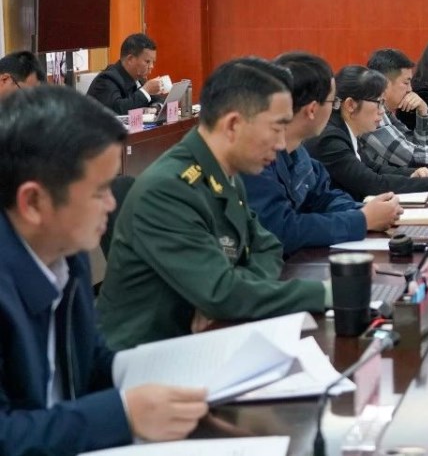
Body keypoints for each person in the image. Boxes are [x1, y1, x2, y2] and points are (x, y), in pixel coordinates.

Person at [0, 86, 208, 454]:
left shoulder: (67, 254)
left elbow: (88, 360)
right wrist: (123, 415)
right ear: (33, 202)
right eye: (100, 191)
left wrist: (167, 370)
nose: (112, 204)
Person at [97, 58, 327, 350]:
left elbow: (268, 246)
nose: (282, 143)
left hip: (206, 339)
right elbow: (221, 293)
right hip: (149, 357)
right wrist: (328, 294)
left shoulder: (224, 173)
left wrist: (237, 288)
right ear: (233, 124)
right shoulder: (169, 190)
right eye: (276, 128)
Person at [243, 53, 403, 256]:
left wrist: (367, 211)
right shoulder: (255, 158)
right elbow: (281, 230)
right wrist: (362, 220)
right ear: (312, 109)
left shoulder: (298, 150)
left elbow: (323, 197)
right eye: (333, 102)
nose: (335, 110)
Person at [307, 66, 428, 201]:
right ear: (351, 105)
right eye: (379, 103)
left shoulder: (345, 131)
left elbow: (375, 169)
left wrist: (413, 174)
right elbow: (372, 184)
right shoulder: (330, 140)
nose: (382, 111)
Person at [86, 33, 167, 114]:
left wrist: (155, 107)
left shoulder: (139, 79)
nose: (152, 66)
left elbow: (159, 100)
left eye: (153, 62)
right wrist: (146, 91)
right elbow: (118, 110)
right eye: (147, 62)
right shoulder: (107, 79)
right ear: (130, 59)